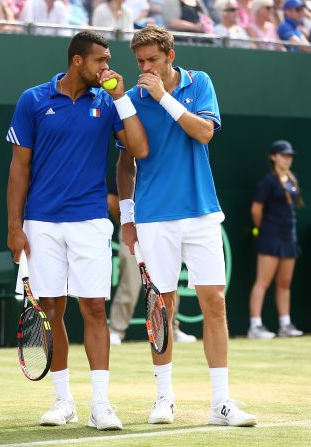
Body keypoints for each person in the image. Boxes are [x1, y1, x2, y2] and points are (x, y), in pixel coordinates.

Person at [6, 30, 148, 429]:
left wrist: (120, 96)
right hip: (41, 223)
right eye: (101, 60)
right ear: (77, 61)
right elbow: (19, 167)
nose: (108, 67)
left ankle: (100, 404)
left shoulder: (108, 100)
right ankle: (62, 400)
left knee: (95, 308)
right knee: (51, 311)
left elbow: (138, 150)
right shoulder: (33, 100)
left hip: (88, 221)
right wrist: (14, 226)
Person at [117, 25, 256, 426]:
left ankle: (221, 403)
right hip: (153, 217)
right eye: (140, 62)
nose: (146, 68)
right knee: (163, 308)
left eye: (153, 61)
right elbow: (125, 164)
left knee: (214, 302)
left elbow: (204, 133)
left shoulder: (201, 83)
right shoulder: (129, 100)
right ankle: (164, 398)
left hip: (201, 213)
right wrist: (128, 219)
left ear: (170, 56)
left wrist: (162, 98)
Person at [107, 179, 197, 345]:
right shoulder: (130, 164)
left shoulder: (165, 167)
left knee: (168, 283)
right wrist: (127, 224)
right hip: (133, 230)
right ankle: (116, 331)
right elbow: (113, 201)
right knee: (130, 284)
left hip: (163, 226)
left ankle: (172, 330)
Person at [247, 140, 304, 340]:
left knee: (285, 282)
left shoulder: (291, 181)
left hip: (289, 239)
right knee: (263, 282)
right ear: (274, 157)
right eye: (283, 155)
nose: (287, 159)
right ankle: (255, 326)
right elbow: (256, 210)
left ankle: (285, 324)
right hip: (270, 238)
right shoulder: (267, 182)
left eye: (289, 156)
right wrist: (265, 229)